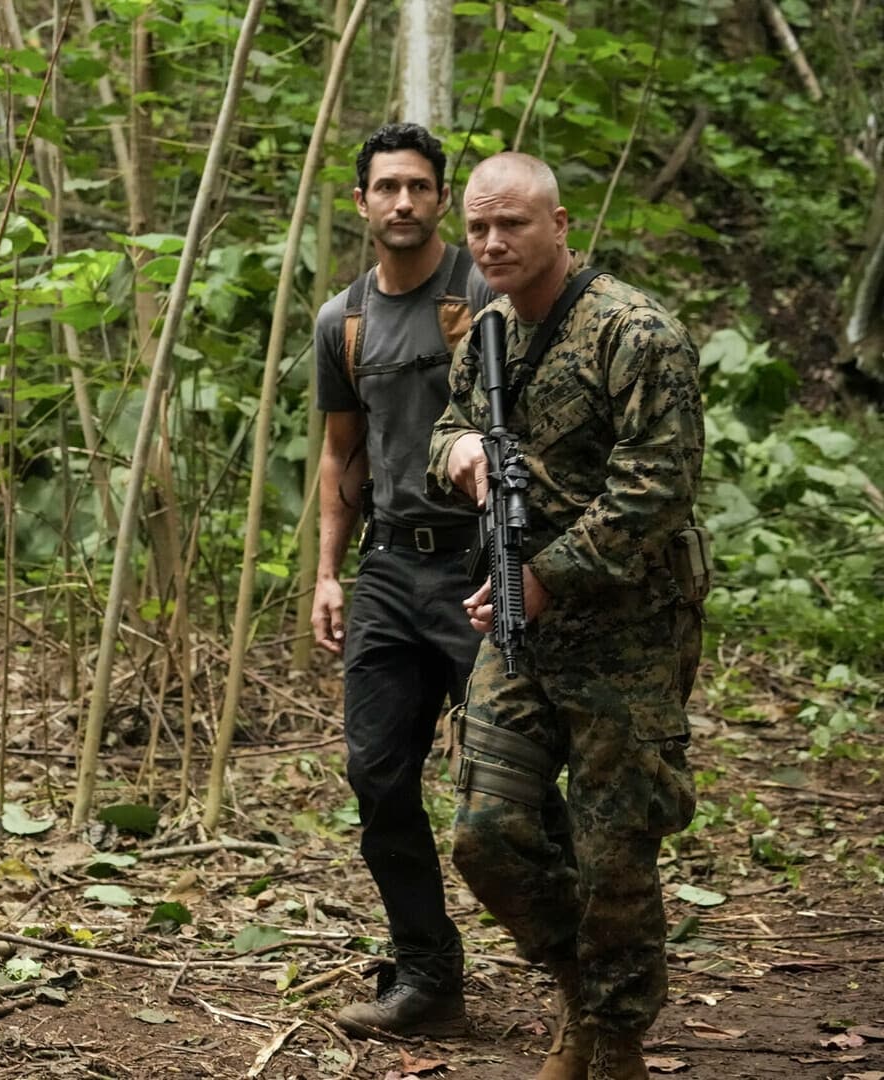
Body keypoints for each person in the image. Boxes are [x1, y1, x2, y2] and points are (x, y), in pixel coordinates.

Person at [429, 152, 705, 1080]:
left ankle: (615, 1039)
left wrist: (551, 572)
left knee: (613, 844)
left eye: (511, 224)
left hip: (630, 625)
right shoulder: (487, 335)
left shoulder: (634, 332)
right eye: (478, 228)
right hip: (520, 617)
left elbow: (658, 484)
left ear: (559, 225)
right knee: (487, 833)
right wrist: (459, 451)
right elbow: (445, 427)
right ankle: (579, 995)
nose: (492, 243)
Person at [311, 122, 496, 1041]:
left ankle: (581, 971)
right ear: (361, 202)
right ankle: (427, 974)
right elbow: (340, 453)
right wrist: (327, 573)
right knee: (377, 775)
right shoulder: (342, 321)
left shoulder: (484, 292)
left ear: (440, 198)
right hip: (388, 567)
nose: (403, 202)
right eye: (387, 187)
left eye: (419, 186)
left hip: (482, 564)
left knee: (508, 789)